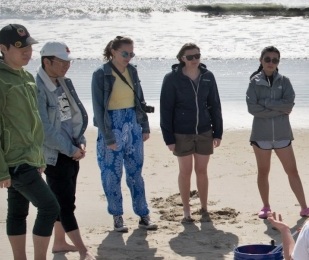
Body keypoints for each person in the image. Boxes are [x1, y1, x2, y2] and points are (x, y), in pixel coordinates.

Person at [0, 24, 65, 260]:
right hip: (12, 160)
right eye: (20, 47)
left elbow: (32, 122)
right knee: (49, 206)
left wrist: (37, 158)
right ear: (3, 48)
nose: (27, 51)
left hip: (28, 157)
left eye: (29, 46)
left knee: (17, 212)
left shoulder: (24, 77)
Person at [35, 41, 95, 260]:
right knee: (65, 204)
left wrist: (80, 143)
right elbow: (44, 130)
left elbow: (74, 117)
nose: (66, 66)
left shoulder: (64, 82)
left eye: (68, 61)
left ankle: (59, 242)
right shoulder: (38, 88)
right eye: (61, 62)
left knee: (67, 200)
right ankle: (83, 250)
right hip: (56, 154)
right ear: (46, 61)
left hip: (72, 151)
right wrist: (71, 149)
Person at [92, 35, 157, 232]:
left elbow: (140, 99)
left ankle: (143, 214)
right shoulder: (101, 73)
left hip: (133, 124)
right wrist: (109, 136)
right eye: (125, 53)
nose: (129, 57)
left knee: (135, 173)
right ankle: (117, 216)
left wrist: (144, 126)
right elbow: (97, 108)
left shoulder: (132, 70)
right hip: (112, 124)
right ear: (113, 51)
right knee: (112, 173)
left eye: (131, 53)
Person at [245, 46, 309, 219]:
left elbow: (289, 105)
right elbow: (253, 109)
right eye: (267, 59)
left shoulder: (285, 81)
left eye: (275, 60)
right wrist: (278, 108)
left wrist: (265, 103)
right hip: (261, 136)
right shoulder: (254, 82)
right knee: (263, 171)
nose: (271, 63)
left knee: (293, 171)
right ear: (261, 60)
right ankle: (266, 207)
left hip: (283, 135)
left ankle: (304, 207)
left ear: (278, 63)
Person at [160, 42, 223, 222]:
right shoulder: (171, 79)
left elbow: (215, 106)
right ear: (182, 58)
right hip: (181, 133)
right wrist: (168, 138)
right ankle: (186, 210)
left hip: (204, 131)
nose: (194, 59)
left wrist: (218, 133)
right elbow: (166, 110)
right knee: (185, 171)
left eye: (197, 56)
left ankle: (204, 208)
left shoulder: (208, 77)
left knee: (202, 171)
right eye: (190, 57)